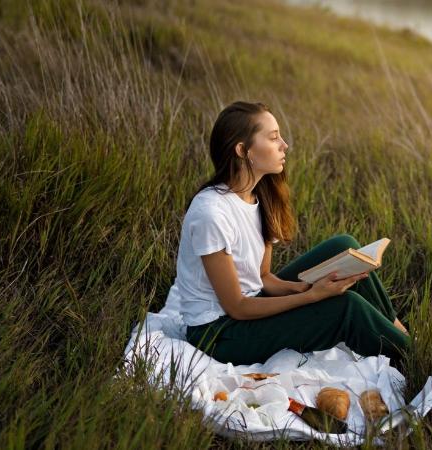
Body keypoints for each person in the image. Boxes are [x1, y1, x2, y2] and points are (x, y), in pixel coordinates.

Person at [172, 101, 410, 369]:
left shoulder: (258, 196)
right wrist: (310, 297)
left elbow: (262, 278)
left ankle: (400, 333)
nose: (284, 145)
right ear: (243, 150)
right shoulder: (211, 213)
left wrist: (303, 286)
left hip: (251, 304)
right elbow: (236, 306)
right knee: (345, 307)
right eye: (273, 138)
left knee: (346, 248)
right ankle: (414, 357)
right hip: (219, 333)